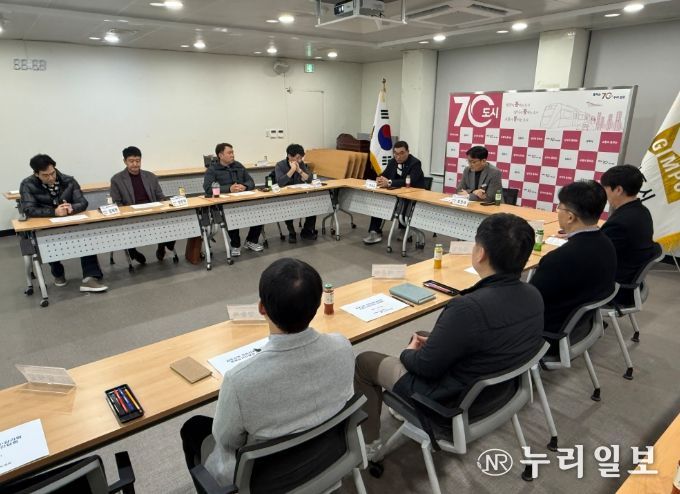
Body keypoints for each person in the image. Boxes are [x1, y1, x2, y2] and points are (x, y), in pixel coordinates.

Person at [354, 213, 544, 457]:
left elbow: (425, 368)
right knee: (424, 335)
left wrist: (407, 353)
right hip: (500, 393)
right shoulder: (533, 295)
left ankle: (369, 444)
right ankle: (402, 408)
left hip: (450, 405)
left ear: (480, 253)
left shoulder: (467, 308)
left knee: (365, 361)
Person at [180, 258, 355, 490]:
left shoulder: (239, 381)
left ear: (261, 308)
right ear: (317, 305)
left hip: (268, 482)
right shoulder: (342, 346)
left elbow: (226, 441)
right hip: (329, 457)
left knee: (193, 427)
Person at [530, 181, 617, 351]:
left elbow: (528, 303)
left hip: (546, 337)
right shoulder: (607, 244)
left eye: (559, 207)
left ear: (570, 217)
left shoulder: (559, 259)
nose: (557, 211)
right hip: (579, 328)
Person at [19, 154, 108, 292]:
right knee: (47, 243)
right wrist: (54, 212)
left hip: (70, 222)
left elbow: (83, 202)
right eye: (45, 175)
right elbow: (29, 209)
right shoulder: (27, 184)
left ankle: (90, 278)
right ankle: (58, 273)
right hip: (46, 226)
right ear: (36, 174)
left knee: (86, 236)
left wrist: (72, 208)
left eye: (52, 173)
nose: (51, 177)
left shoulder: (68, 180)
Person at [600, 165, 657, 306]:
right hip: (628, 280)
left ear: (618, 190)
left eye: (605, 189)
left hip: (614, 289)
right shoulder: (642, 212)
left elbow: (596, 256)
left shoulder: (621, 222)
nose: (604, 194)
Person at [110, 146, 176, 263]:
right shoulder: (117, 179)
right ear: (125, 161)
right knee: (125, 227)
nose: (135, 164)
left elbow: (160, 196)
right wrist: (128, 213)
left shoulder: (150, 176)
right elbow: (117, 203)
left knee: (174, 221)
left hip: (152, 212)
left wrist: (165, 204)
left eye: (138, 161)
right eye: (131, 161)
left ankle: (162, 245)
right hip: (131, 216)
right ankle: (133, 252)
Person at [203, 143, 263, 256]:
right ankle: (235, 245)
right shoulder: (212, 170)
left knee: (260, 212)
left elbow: (251, 182)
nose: (232, 155)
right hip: (226, 204)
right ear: (220, 155)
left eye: (233, 152)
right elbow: (208, 189)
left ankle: (251, 241)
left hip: (244, 200)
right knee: (231, 215)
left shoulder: (238, 166)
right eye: (229, 153)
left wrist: (245, 186)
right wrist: (229, 189)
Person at [363, 140, 425, 245]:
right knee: (379, 201)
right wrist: (380, 179)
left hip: (412, 195)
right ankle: (374, 231)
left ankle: (404, 228)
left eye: (401, 153)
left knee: (404, 200)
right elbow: (384, 175)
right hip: (396, 194)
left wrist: (389, 182)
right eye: (395, 153)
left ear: (408, 152)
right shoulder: (392, 162)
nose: (398, 156)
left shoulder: (415, 163)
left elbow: (410, 181)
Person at [275, 144, 318, 243]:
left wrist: (299, 170)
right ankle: (292, 232)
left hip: (300, 195)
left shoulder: (301, 163)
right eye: (297, 157)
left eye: (301, 157)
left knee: (314, 206)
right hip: (286, 197)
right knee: (288, 209)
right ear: (289, 156)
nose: (300, 160)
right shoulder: (280, 165)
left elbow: (309, 179)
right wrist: (292, 170)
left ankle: (307, 231)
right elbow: (280, 183)